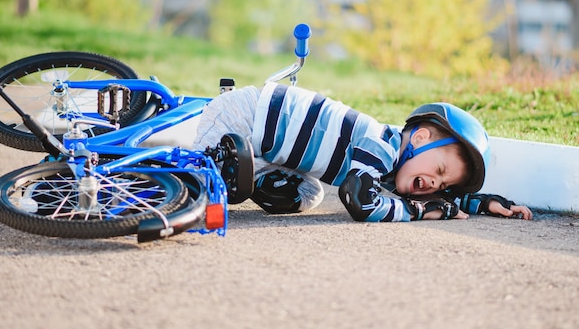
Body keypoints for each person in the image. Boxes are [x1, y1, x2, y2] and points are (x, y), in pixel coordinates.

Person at [193, 82, 533, 222]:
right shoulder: (381, 144)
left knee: (307, 195)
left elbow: (443, 198)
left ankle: (240, 171)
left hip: (267, 149)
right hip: (246, 117)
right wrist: (417, 211)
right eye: (441, 172)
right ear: (420, 138)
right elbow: (360, 199)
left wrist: (485, 203)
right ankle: (166, 175)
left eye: (443, 187)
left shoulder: (395, 166)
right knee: (195, 190)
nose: (434, 184)